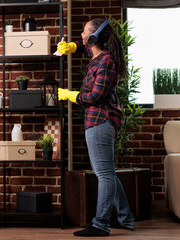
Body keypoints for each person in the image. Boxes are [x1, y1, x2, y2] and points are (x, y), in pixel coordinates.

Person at [57, 19, 136, 237]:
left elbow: (96, 96)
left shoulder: (106, 61)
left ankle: (100, 224)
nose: (81, 35)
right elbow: (82, 45)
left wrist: (72, 95)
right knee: (107, 172)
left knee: (104, 174)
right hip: (96, 121)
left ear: (93, 38)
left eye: (84, 32)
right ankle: (126, 218)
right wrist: (72, 46)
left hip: (101, 120)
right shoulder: (98, 57)